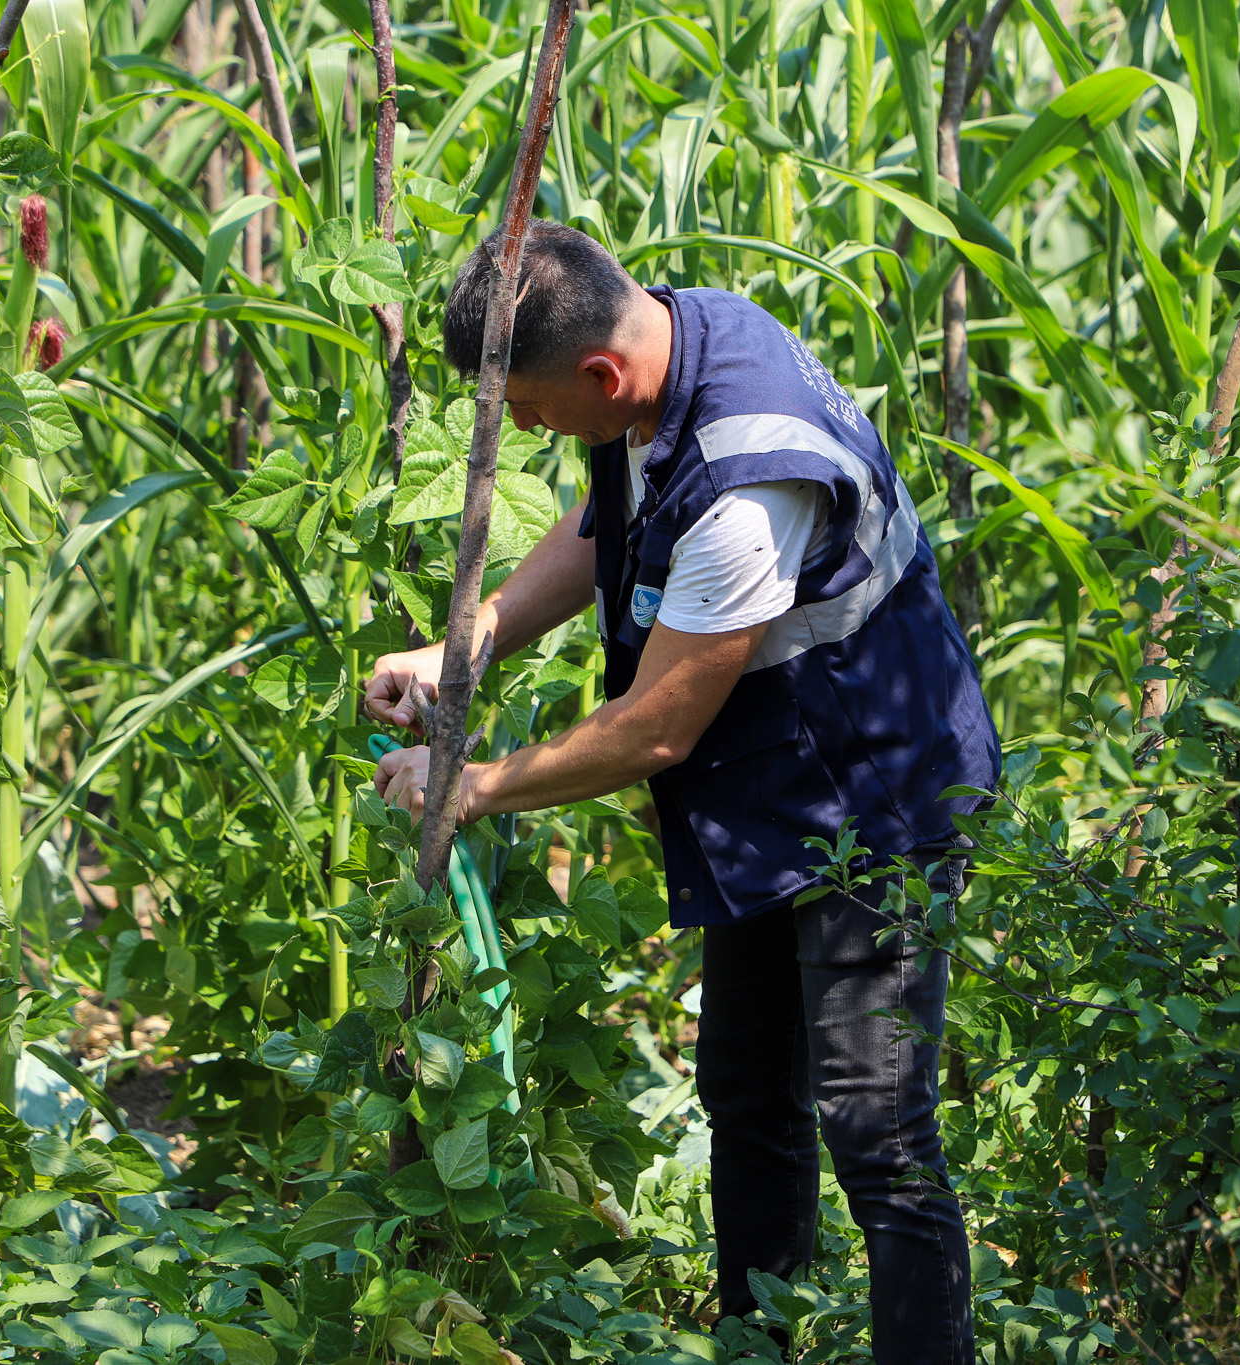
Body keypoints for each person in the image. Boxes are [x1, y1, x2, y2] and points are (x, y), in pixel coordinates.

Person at [365, 222, 999, 1365]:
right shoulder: (665, 343)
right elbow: (604, 514)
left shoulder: (746, 491)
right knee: (745, 1092)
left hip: (876, 800)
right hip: (778, 780)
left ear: (601, 375)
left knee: (876, 1129)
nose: (522, 431)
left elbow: (654, 730)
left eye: (534, 410)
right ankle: (760, 1345)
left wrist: (471, 787)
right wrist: (475, 635)